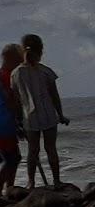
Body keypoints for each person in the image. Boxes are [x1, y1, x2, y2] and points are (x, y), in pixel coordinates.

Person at [12, 33, 69, 190]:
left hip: (29, 118)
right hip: (48, 116)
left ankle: (31, 182)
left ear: (22, 50)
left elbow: (16, 101)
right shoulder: (46, 72)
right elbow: (54, 96)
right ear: (41, 51)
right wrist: (61, 114)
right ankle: (56, 181)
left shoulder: (16, 74)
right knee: (51, 149)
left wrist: (17, 121)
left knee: (33, 152)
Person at [0, 43, 24, 198]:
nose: (21, 63)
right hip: (0, 123)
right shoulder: (3, 76)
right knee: (9, 160)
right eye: (18, 59)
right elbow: (11, 101)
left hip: (3, 123)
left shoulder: (8, 74)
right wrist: (20, 120)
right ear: (8, 59)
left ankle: (9, 188)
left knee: (14, 158)